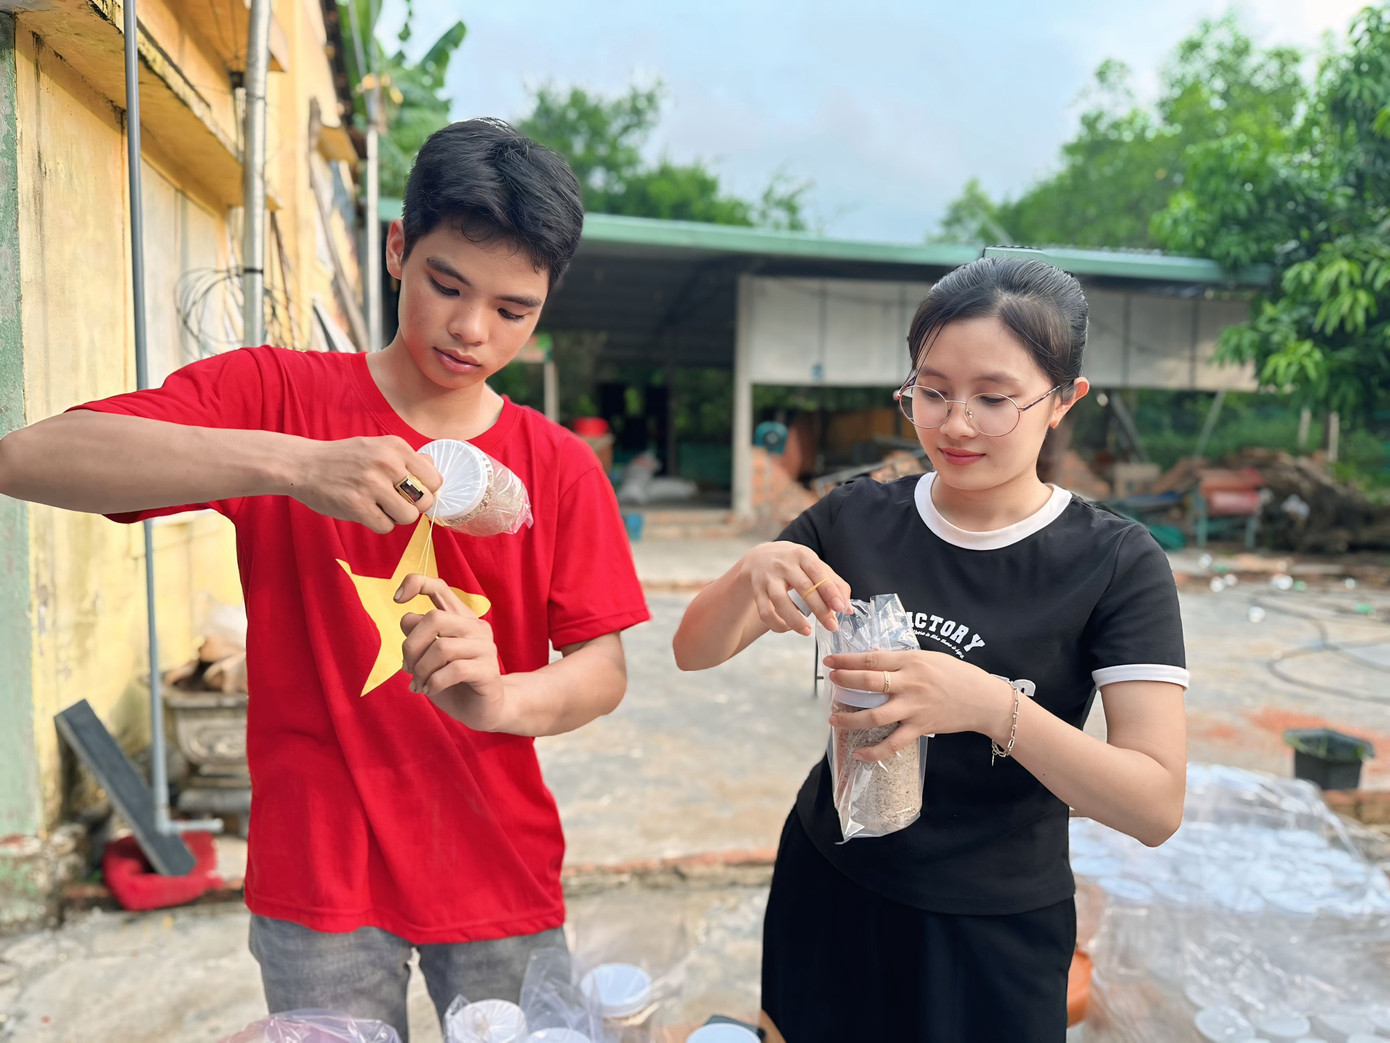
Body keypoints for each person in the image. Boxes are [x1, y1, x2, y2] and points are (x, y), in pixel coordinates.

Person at [0, 118, 650, 1039]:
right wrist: (293, 466)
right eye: (447, 285)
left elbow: (603, 665)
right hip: (319, 874)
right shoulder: (281, 395)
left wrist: (498, 696)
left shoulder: (557, 465)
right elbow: (31, 458)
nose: (471, 329)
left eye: (513, 309)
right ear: (397, 248)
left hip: (497, 862)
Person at [672, 257, 1188, 1041]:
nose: (954, 423)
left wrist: (986, 704)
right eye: (933, 390)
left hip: (992, 923)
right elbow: (694, 649)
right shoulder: (857, 517)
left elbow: (1154, 805)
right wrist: (751, 570)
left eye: (994, 397)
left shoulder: (1116, 562)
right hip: (833, 877)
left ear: (1062, 402)